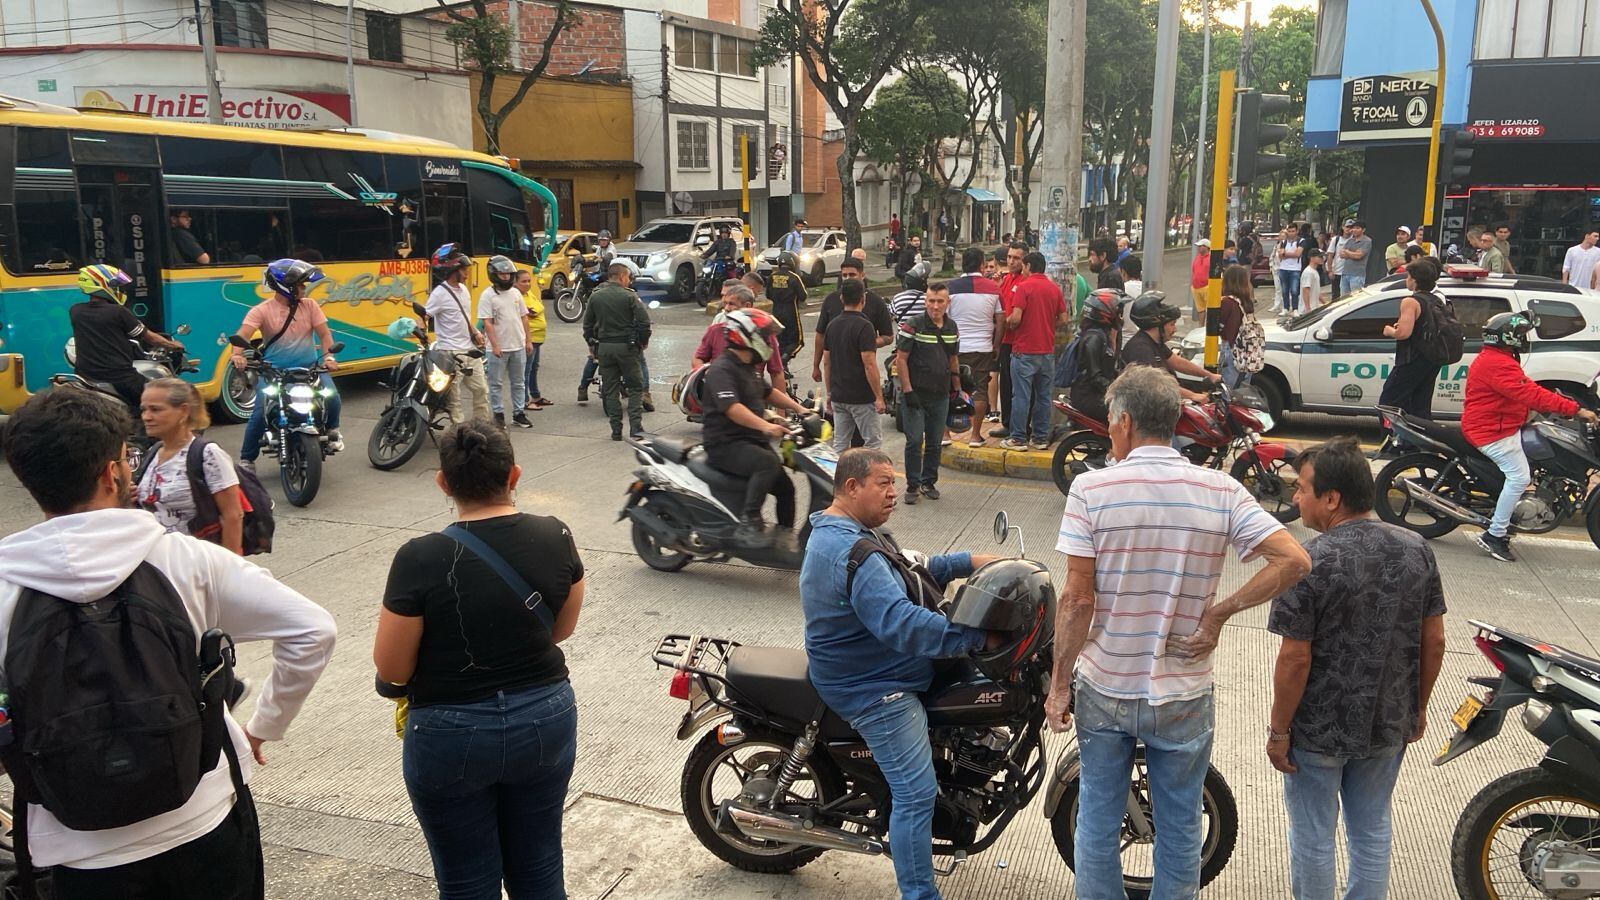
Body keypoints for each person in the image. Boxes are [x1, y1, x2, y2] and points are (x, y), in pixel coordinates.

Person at [0, 388, 336, 897]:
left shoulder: (6, 583)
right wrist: (263, 727)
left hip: (77, 846)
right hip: (204, 814)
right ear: (112, 473)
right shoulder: (184, 559)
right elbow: (313, 630)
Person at [1045, 366, 1311, 900]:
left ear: (1122, 422)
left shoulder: (1091, 490)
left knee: (1097, 815)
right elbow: (1293, 559)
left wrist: (1058, 686)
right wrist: (1220, 613)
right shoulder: (1219, 489)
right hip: (1184, 689)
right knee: (1182, 822)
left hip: (1107, 686)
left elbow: (1076, 600)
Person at [374, 420, 584, 899]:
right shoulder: (557, 534)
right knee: (539, 865)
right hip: (545, 716)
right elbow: (561, 629)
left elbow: (393, 670)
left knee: (467, 879)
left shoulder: (419, 557)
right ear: (514, 475)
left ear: (443, 482)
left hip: (450, 732)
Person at [799, 447, 1001, 900]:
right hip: (874, 684)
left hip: (877, 664)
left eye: (895, 483)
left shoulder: (859, 534)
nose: (894, 492)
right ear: (852, 487)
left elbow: (914, 567)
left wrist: (973, 562)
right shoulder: (851, 551)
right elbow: (903, 623)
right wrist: (976, 637)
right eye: (884, 483)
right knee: (915, 794)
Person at [1267, 437, 1447, 900]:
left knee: (1313, 833)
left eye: (1303, 488)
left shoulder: (1307, 561)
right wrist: (1417, 708)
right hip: (1387, 721)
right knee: (1371, 829)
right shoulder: (1416, 549)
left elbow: (1294, 658)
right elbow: (1436, 641)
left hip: (1318, 728)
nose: (1295, 497)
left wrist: (1279, 730)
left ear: (1331, 498)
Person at [1462, 312, 1597, 562]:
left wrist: (1562, 401)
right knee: (1519, 477)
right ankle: (1494, 535)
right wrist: (1574, 410)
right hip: (1490, 431)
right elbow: (1530, 394)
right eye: (1522, 335)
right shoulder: (1497, 364)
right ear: (1508, 337)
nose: (1524, 339)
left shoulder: (1499, 358)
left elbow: (1527, 389)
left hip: (1502, 425)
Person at [701, 309, 810, 546]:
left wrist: (801, 410)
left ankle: (784, 541)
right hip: (724, 443)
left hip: (748, 441)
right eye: (765, 337)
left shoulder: (747, 365)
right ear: (745, 337)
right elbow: (732, 408)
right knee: (767, 462)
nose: (770, 342)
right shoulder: (722, 369)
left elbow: (769, 393)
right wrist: (766, 426)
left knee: (786, 489)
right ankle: (748, 521)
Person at [232, 258, 344, 467]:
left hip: (310, 369)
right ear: (286, 286)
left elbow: (324, 335)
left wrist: (329, 357)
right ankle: (247, 459)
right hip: (274, 372)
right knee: (259, 412)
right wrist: (237, 354)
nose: (304, 289)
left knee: (333, 397)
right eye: (300, 285)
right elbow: (244, 334)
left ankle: (333, 431)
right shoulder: (261, 310)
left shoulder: (310, 306)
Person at [137, 377, 245, 555]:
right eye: (144, 410)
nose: (146, 417)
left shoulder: (208, 454)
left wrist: (228, 571)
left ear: (183, 411)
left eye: (155, 409)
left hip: (198, 565)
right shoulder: (153, 453)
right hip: (159, 565)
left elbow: (233, 515)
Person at [69, 264, 186, 416]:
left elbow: (102, 333)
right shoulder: (118, 312)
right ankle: (149, 437)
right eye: (115, 285)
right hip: (120, 377)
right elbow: (149, 337)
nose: (119, 289)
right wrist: (173, 345)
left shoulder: (75, 311)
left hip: (86, 375)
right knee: (162, 401)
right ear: (102, 285)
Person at [895, 281, 961, 504]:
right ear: (925, 302)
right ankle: (912, 485)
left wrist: (957, 389)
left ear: (947, 303)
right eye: (931, 301)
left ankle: (928, 482)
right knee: (914, 440)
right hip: (916, 394)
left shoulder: (952, 328)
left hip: (940, 395)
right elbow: (900, 360)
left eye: (940, 301)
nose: (935, 306)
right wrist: (908, 390)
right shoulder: (913, 325)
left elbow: (953, 359)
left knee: (934, 442)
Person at [1377, 258, 1444, 456]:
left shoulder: (1411, 301)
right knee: (1419, 404)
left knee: (1388, 402)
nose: (1406, 279)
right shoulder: (1436, 300)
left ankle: (1393, 444)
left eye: (1407, 276)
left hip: (1411, 359)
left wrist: (1390, 330)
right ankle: (1421, 445)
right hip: (1431, 359)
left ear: (1414, 280)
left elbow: (1404, 333)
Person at [1000, 251, 1066, 452]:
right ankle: (1039, 438)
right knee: (1044, 397)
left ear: (1028, 267)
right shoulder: (1054, 289)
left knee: (1021, 396)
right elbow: (1063, 320)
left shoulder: (1023, 287)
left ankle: (1018, 438)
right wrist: (1046, 324)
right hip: (1046, 351)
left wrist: (1009, 321)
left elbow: (1016, 318)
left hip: (1024, 350)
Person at [582, 259, 652, 441]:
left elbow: (587, 325)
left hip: (604, 348)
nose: (629, 281)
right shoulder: (630, 296)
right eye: (628, 277)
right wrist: (643, 341)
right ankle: (635, 427)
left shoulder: (595, 296)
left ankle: (616, 430)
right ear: (621, 277)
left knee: (610, 389)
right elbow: (644, 322)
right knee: (636, 387)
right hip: (627, 347)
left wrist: (592, 345)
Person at [423, 244, 491, 425]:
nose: (467, 273)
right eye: (463, 270)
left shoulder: (464, 290)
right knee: (454, 397)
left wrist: (475, 332)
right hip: (449, 353)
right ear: (453, 270)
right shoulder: (439, 293)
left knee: (481, 390)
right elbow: (424, 315)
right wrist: (418, 332)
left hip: (469, 351)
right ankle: (459, 431)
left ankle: (482, 426)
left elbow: (464, 317)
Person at [948, 247, 1004, 446]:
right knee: (980, 389)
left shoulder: (951, 287)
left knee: (949, 388)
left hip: (955, 348)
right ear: (981, 265)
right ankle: (975, 436)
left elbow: (944, 319)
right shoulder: (993, 288)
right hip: (982, 347)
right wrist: (996, 344)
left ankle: (945, 435)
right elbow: (1001, 319)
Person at [1119, 292, 1218, 403]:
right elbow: (1156, 384)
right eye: (1172, 324)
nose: (1174, 329)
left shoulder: (1155, 342)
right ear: (1157, 325)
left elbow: (1178, 363)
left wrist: (1210, 375)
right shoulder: (1140, 349)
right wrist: (1192, 396)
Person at [824, 280, 887, 451]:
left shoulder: (832, 325)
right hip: (862, 398)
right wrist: (879, 397)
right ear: (863, 299)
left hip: (839, 396)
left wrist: (830, 393)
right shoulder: (865, 326)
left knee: (840, 444)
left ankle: (838, 477)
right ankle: (868, 477)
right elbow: (870, 365)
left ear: (842, 298)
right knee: (872, 444)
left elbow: (827, 363)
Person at [813, 256, 893, 387]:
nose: (847, 278)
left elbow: (888, 336)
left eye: (852, 274)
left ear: (862, 275)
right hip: (836, 374)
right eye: (844, 275)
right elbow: (820, 335)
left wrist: (868, 343)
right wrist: (816, 365)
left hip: (864, 373)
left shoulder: (876, 302)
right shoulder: (831, 300)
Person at [695, 281, 786, 392]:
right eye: (725, 303)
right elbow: (698, 358)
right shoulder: (715, 331)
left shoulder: (764, 335)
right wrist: (705, 374)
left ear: (747, 306)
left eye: (731, 304)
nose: (726, 309)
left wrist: (784, 409)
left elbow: (775, 375)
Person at [479, 256, 533, 429]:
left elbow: (524, 317)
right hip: (498, 349)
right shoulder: (487, 296)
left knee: (519, 382)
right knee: (496, 384)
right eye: (502, 274)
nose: (506, 277)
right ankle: (499, 415)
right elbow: (487, 322)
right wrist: (495, 345)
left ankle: (519, 413)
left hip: (518, 346)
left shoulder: (516, 293)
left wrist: (528, 341)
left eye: (508, 274)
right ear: (494, 274)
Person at [991, 241, 1030, 438]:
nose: (1011, 261)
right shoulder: (1006, 280)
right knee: (1005, 385)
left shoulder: (1025, 282)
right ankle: (1007, 423)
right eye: (1009, 257)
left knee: (1019, 388)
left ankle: (1019, 427)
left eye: (1016, 258)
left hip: (1019, 343)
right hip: (1005, 341)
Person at [1068, 288, 1122, 421]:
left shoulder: (1103, 335)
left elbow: (1108, 368)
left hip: (1096, 394)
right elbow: (1096, 377)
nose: (1120, 317)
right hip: (1089, 396)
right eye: (1117, 312)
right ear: (1105, 313)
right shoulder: (1094, 339)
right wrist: (1117, 389)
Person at [1217, 263, 1257, 389]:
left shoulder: (1227, 302)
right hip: (1246, 350)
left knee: (1227, 391)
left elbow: (1216, 327)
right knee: (1241, 391)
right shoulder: (1246, 302)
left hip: (1230, 348)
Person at [520, 269, 554, 411]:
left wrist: (535, 310)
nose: (527, 284)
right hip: (530, 338)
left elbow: (538, 307)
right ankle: (525, 401)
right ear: (515, 283)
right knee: (526, 370)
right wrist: (534, 310)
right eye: (523, 281)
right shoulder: (517, 297)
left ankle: (535, 396)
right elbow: (531, 312)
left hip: (538, 338)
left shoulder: (529, 294)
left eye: (529, 280)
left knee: (534, 367)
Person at [767, 250, 808, 364]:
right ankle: (784, 359)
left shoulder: (772, 276)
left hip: (776, 311)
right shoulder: (794, 277)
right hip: (791, 311)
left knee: (781, 340)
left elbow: (768, 295)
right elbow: (803, 296)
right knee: (797, 341)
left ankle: (781, 366)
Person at [1274, 225, 1303, 316]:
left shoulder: (1300, 241)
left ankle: (1295, 308)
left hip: (1295, 269)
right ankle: (1285, 308)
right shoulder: (1283, 242)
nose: (1291, 233)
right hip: (1283, 268)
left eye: (1293, 231)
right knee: (1284, 290)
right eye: (1289, 231)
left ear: (1297, 231)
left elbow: (1298, 254)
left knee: (1294, 290)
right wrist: (1290, 254)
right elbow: (1280, 255)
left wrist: (1286, 254)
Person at [1339, 220, 1372, 293]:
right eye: (1353, 228)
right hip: (1345, 273)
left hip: (1357, 275)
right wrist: (1353, 253)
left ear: (1363, 230)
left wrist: (1347, 252)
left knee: (1355, 298)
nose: (1354, 230)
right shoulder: (1350, 241)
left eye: (1357, 228)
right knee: (1343, 299)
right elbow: (1341, 254)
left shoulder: (1367, 241)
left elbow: (1358, 256)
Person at [1190, 239, 1212, 327]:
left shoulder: (1211, 258)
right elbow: (1194, 270)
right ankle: (1200, 327)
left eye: (1201, 246)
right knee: (1200, 309)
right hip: (1196, 287)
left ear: (1207, 247)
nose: (1199, 248)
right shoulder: (1197, 257)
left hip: (1207, 286)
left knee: (1210, 309)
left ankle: (1209, 327)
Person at [1298, 247, 1325, 315]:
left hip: (1314, 308)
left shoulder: (1314, 271)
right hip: (1307, 310)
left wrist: (1325, 303)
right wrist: (1308, 308)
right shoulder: (1308, 272)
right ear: (1312, 258)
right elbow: (1305, 290)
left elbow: (1317, 291)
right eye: (1319, 257)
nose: (1322, 258)